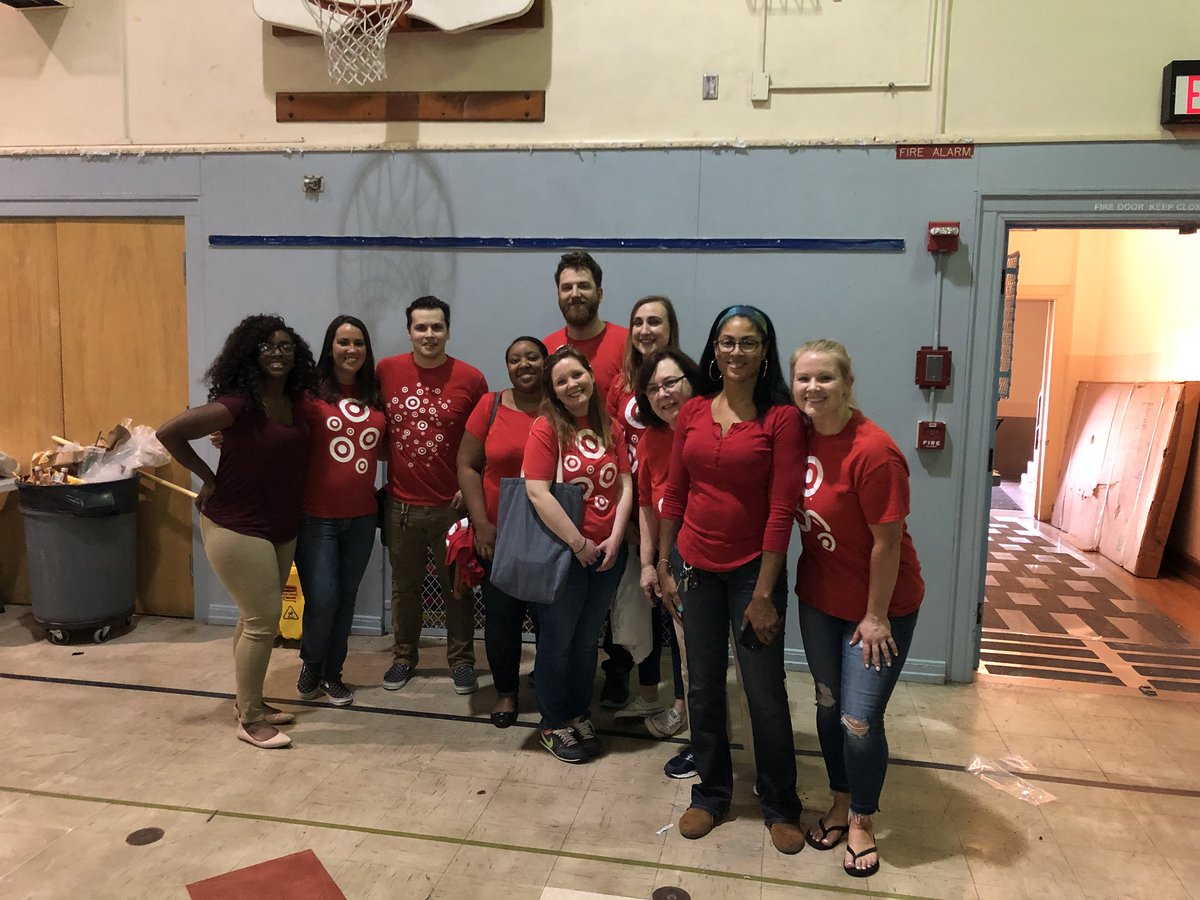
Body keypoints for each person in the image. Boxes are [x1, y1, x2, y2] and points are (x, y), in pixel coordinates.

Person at [657, 305, 807, 853]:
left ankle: (780, 805)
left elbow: (781, 509)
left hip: (752, 574)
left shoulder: (782, 419)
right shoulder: (694, 411)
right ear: (714, 350)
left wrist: (764, 593)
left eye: (748, 342)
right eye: (727, 341)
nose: (736, 351)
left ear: (765, 352)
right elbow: (675, 492)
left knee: (763, 692)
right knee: (702, 687)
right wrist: (667, 565)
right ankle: (711, 794)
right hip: (695, 568)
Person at [790, 339, 924, 879]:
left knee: (859, 720)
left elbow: (886, 544)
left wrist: (874, 616)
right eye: (803, 378)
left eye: (825, 377)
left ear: (848, 383)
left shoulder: (874, 451)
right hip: (820, 601)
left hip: (879, 608)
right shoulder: (797, 439)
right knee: (828, 706)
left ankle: (863, 819)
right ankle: (841, 799)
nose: (813, 388)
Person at [157, 314, 315, 749]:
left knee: (253, 618)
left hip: (280, 523)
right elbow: (169, 432)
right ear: (250, 354)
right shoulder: (238, 405)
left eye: (285, 346)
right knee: (263, 621)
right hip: (236, 523)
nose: (278, 353)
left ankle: (251, 702)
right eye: (267, 346)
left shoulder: (294, 401)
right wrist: (207, 478)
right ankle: (251, 720)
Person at [524, 347, 632, 763]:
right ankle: (553, 722)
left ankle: (577, 713)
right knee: (557, 640)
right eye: (561, 381)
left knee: (587, 641)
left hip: (606, 554)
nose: (572, 385)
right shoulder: (546, 427)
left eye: (577, 375)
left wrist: (615, 539)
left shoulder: (610, 425)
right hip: (566, 554)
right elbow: (537, 492)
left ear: (590, 374)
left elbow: (625, 484)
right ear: (553, 391)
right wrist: (579, 543)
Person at [378, 296, 488, 694]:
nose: (429, 334)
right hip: (401, 507)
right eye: (421, 327)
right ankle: (403, 657)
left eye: (436, 327)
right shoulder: (386, 371)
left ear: (448, 331)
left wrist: (470, 485)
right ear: (409, 331)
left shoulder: (471, 379)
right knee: (404, 589)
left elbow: (486, 439)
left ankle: (461, 661)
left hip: (451, 507)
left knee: (457, 588)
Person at [292, 315, 386, 708]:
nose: (351, 350)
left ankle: (333, 674)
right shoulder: (309, 394)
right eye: (343, 342)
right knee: (323, 598)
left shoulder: (375, 395)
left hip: (362, 517)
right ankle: (312, 663)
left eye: (358, 343)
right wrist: (227, 436)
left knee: (346, 599)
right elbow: (276, 432)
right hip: (316, 517)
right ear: (330, 347)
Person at [456, 336, 548, 728]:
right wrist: (482, 525)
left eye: (532, 357)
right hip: (498, 536)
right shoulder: (489, 405)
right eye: (514, 359)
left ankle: (549, 686)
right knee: (502, 619)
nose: (523, 364)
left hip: (550, 537)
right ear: (507, 366)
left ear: (545, 363)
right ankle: (506, 693)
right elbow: (466, 465)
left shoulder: (561, 407)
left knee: (550, 620)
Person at [601, 295, 680, 716]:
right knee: (640, 604)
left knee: (677, 609)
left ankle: (684, 701)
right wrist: (624, 515)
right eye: (638, 322)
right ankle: (648, 695)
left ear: (670, 329)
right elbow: (611, 446)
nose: (645, 330)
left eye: (655, 322)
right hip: (634, 509)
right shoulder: (620, 383)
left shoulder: (683, 379)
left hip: (675, 511)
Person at [633, 348, 702, 777]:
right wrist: (650, 564)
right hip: (676, 562)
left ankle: (763, 763)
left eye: (671, 382)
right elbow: (648, 507)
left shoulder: (716, 429)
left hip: (728, 561)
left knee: (751, 671)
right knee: (691, 662)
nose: (663, 394)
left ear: (692, 380)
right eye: (653, 388)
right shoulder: (651, 440)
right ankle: (703, 746)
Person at [542, 251, 628, 400]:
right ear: (559, 295)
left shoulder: (629, 344)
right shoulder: (545, 350)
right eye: (567, 287)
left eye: (583, 286)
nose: (575, 294)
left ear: (599, 294)